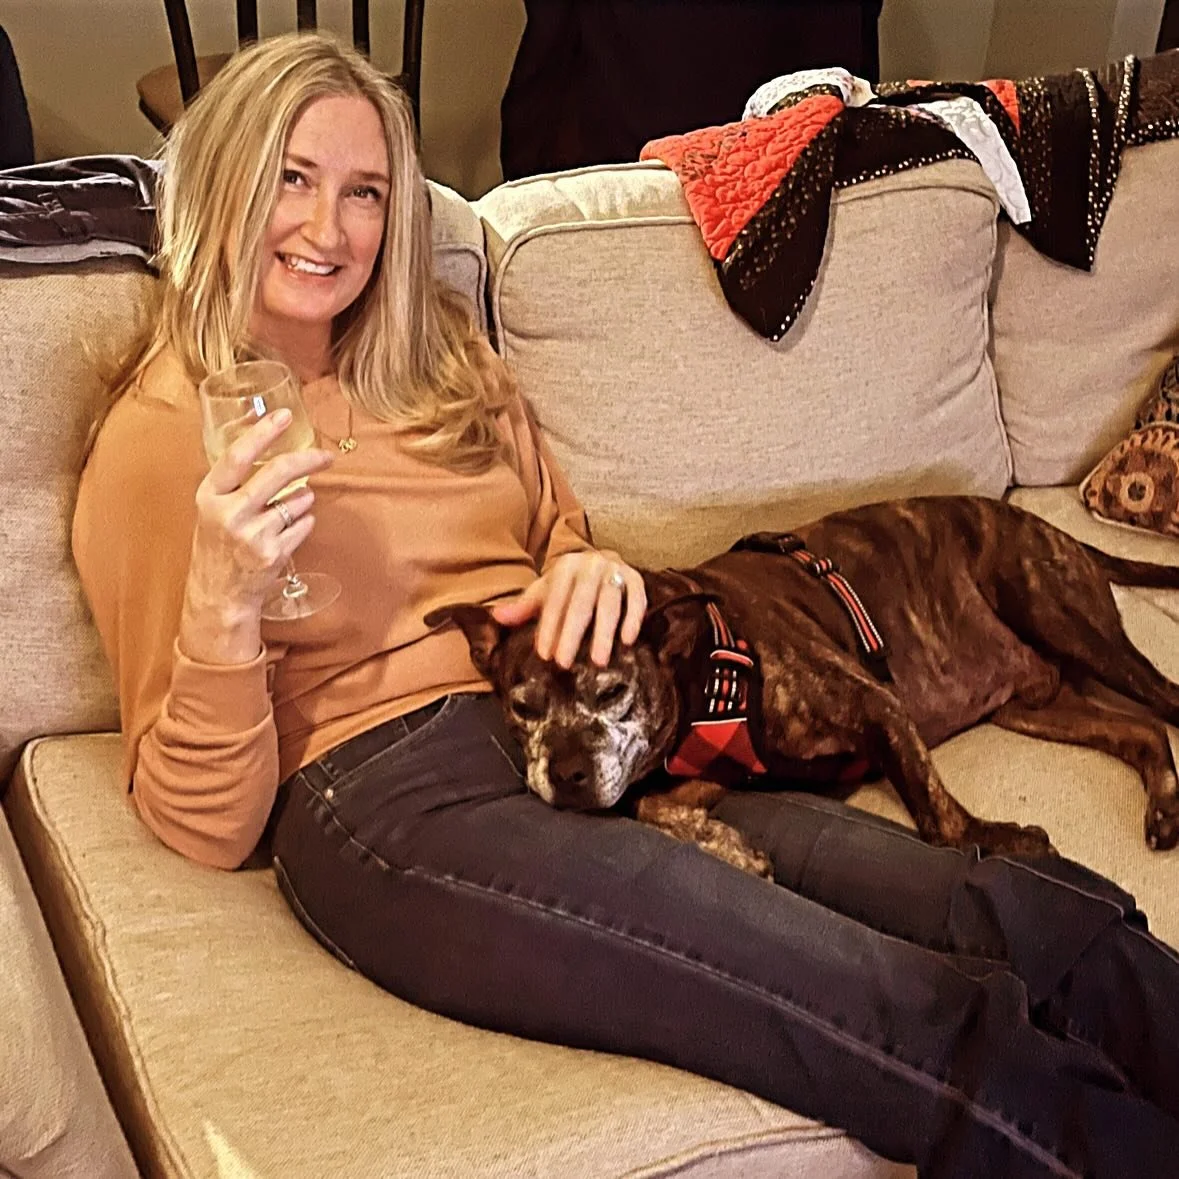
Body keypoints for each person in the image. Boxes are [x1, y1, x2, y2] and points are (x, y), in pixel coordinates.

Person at [73, 32, 1179, 1179]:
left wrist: (589, 572)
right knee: (885, 1003)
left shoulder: (435, 361)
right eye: (292, 178)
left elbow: (555, 530)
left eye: (366, 192)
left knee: (1011, 904)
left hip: (591, 724)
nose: (328, 228)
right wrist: (224, 603)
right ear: (225, 183)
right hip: (393, 785)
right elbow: (203, 824)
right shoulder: (163, 444)